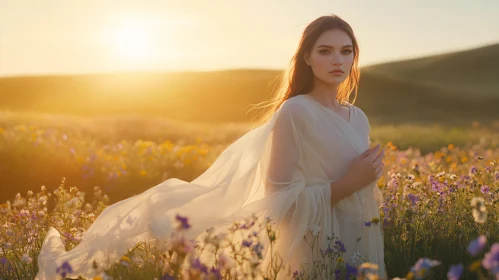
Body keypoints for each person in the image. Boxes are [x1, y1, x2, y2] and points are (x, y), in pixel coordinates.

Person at [35, 14, 387, 279]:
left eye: (346, 51)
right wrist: (348, 184)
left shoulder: (359, 118)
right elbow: (278, 197)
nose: (337, 60)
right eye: (325, 51)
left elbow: (360, 186)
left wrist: (365, 182)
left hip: (355, 239)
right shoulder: (295, 112)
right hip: (308, 245)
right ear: (307, 58)